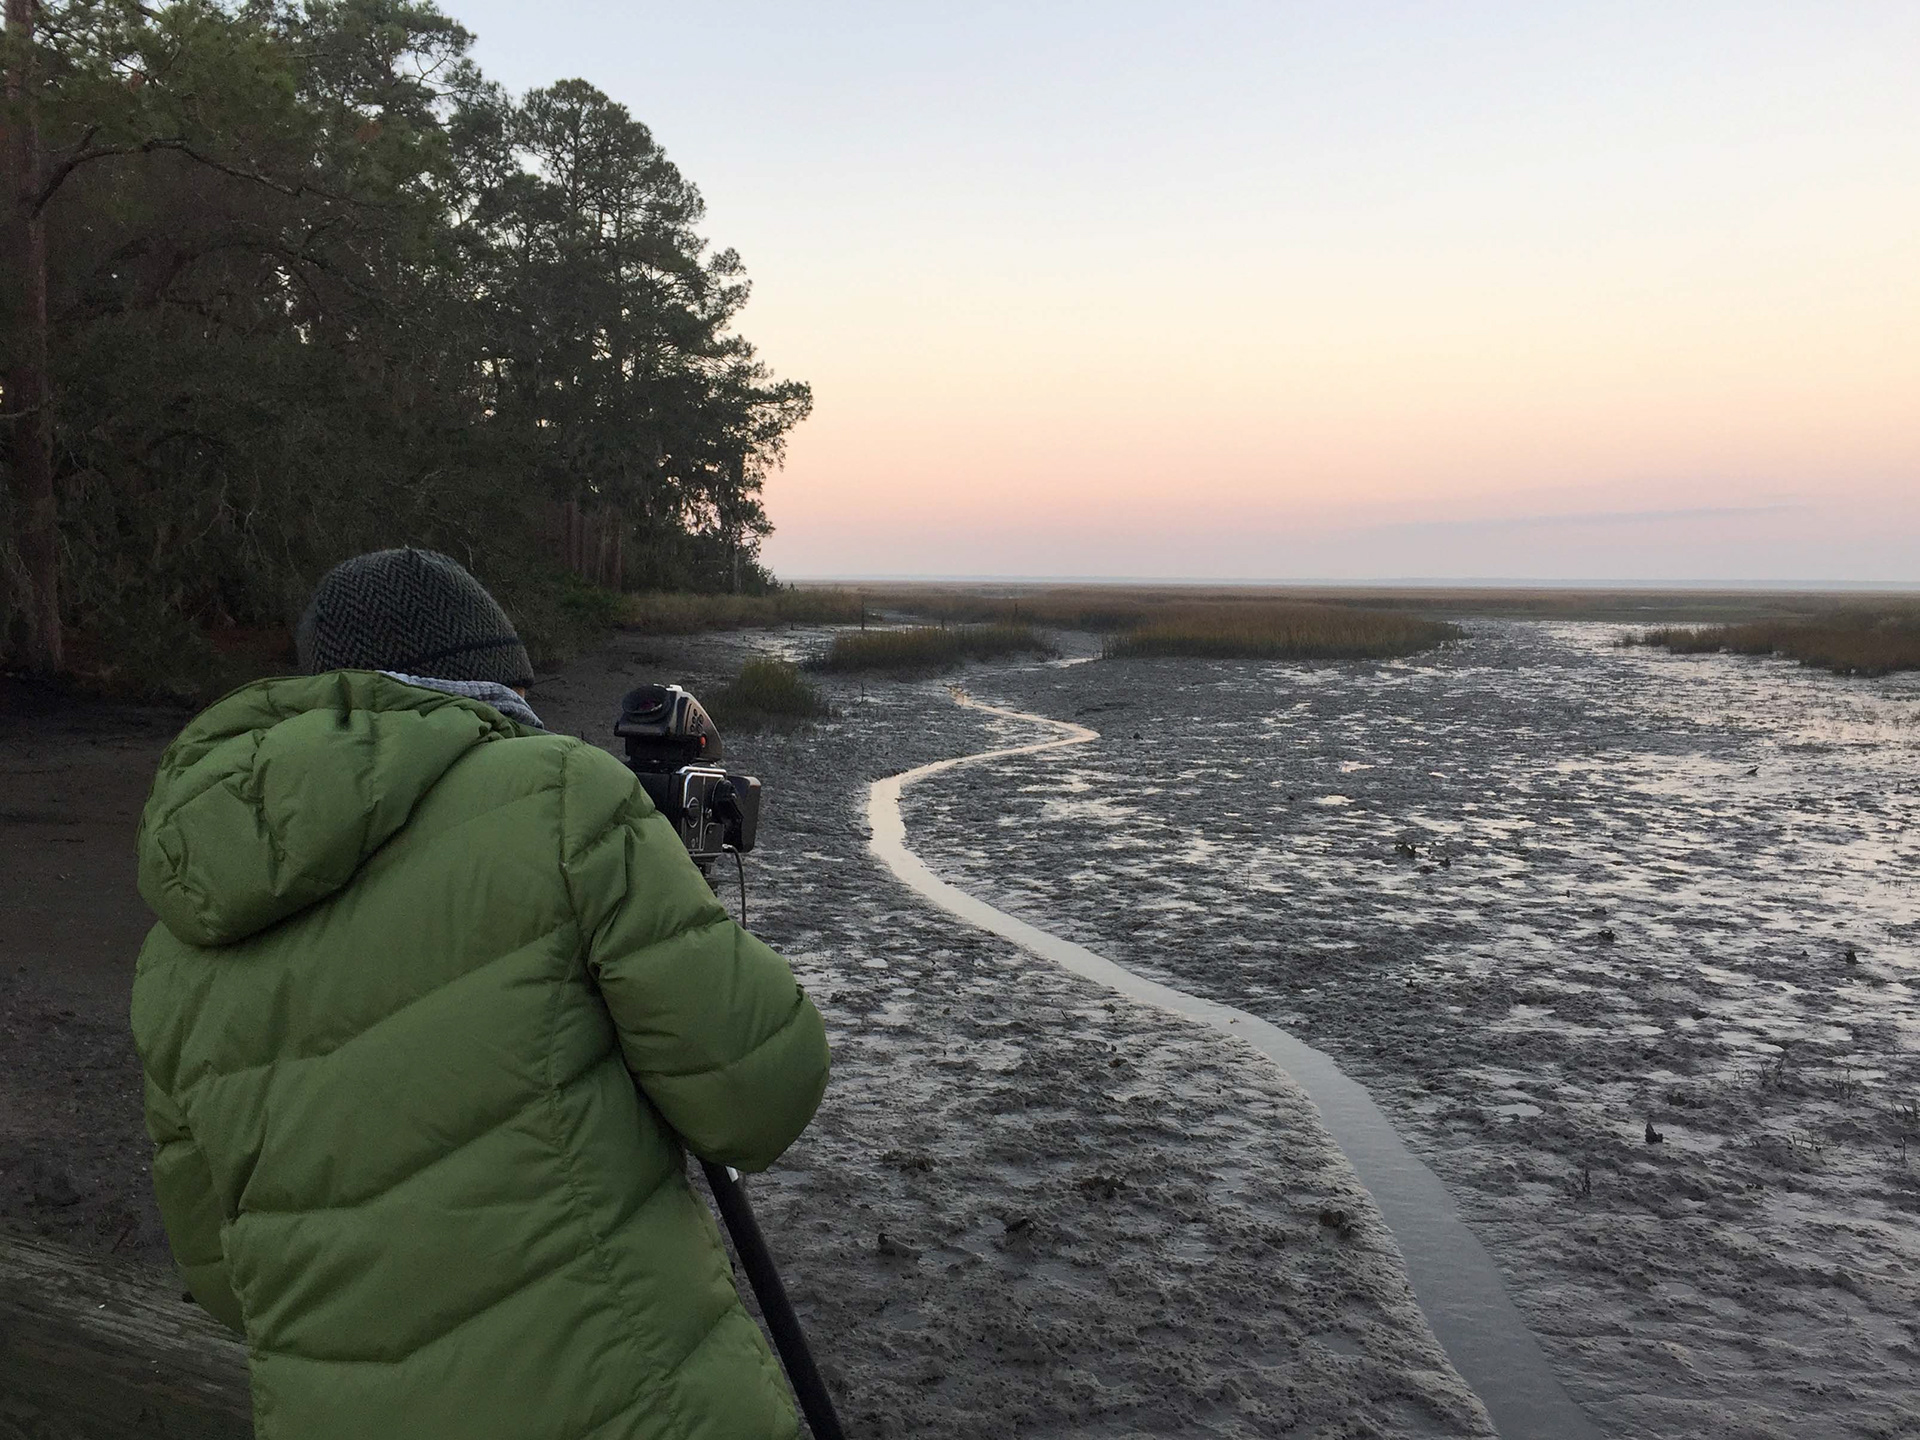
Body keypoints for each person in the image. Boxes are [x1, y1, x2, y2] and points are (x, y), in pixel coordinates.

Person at [129, 548, 830, 1440]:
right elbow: (760, 1100)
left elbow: (225, 1279)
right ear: (491, 685)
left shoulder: (175, 941)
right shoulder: (562, 798)